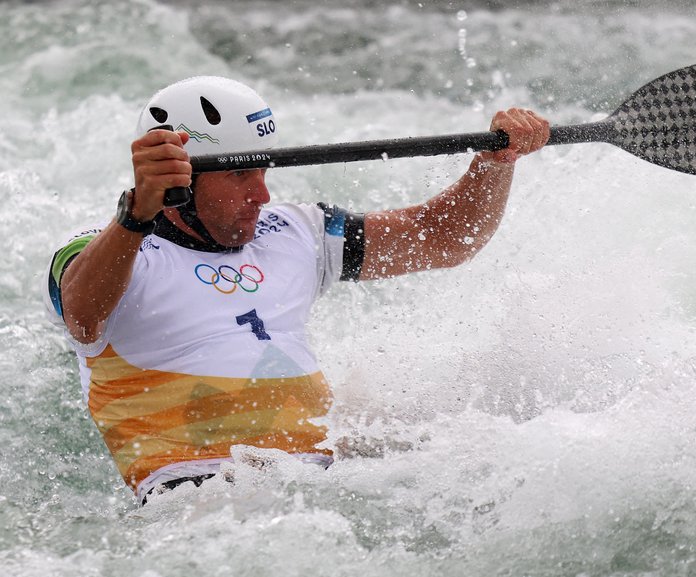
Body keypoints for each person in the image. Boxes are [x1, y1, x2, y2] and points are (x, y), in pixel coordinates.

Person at [43, 76, 549, 503]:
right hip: (201, 501)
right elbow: (82, 315)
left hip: (330, 485)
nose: (262, 194)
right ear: (178, 180)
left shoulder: (295, 232)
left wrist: (493, 165)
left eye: (264, 170)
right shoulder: (105, 254)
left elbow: (444, 238)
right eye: (242, 174)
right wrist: (136, 213)